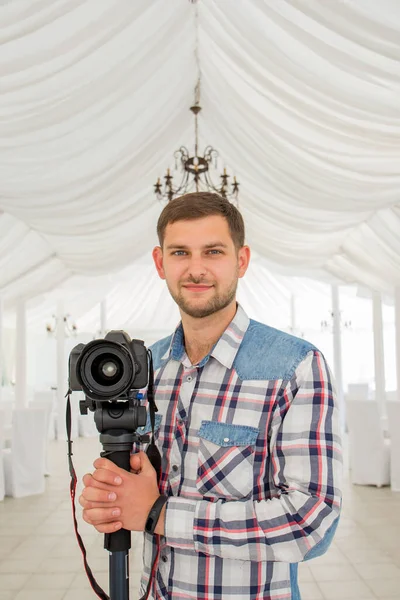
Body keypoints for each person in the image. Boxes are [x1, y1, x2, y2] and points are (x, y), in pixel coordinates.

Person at [79, 192, 343, 600]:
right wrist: (113, 497)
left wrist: (159, 514)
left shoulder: (295, 367)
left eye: (213, 251)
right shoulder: (147, 365)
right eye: (180, 252)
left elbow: (312, 523)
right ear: (160, 262)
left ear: (241, 260)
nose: (196, 269)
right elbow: (140, 486)